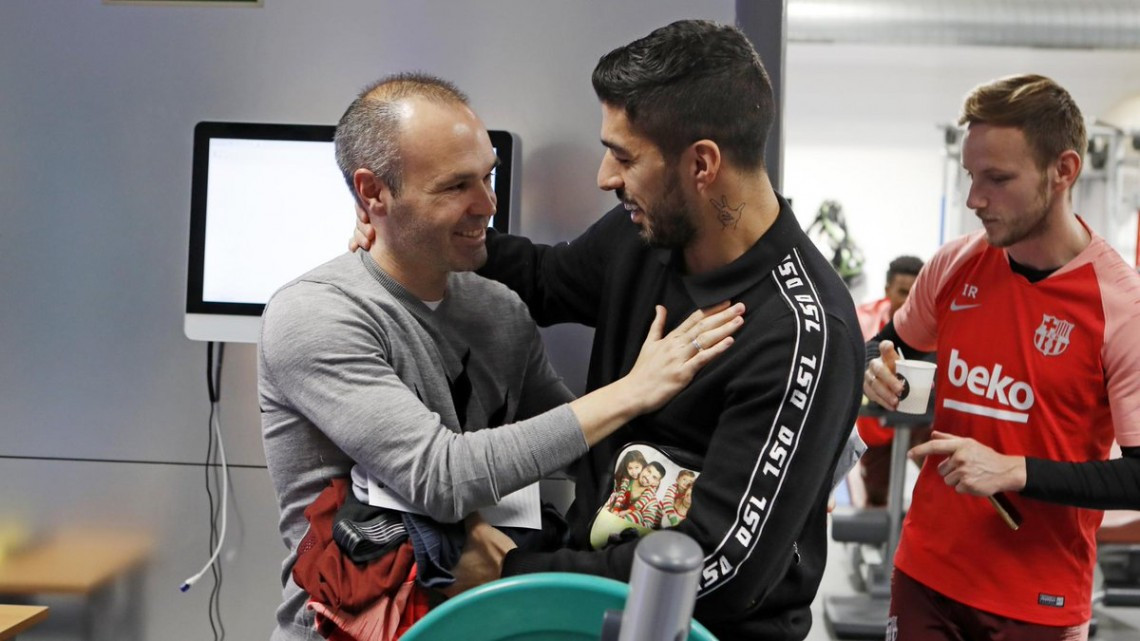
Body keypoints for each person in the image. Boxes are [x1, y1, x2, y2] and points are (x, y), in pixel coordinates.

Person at [355, 19, 864, 640]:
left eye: (624, 157)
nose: (605, 177)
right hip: (588, 604)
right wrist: (415, 234)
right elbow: (544, 278)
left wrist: (519, 573)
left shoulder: (804, 332)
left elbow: (721, 569)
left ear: (702, 164)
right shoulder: (645, 235)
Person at [259, 72, 744, 641]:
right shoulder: (314, 316)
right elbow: (439, 477)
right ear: (373, 193)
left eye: (487, 176)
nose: (487, 204)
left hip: (488, 621)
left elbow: (584, 450)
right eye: (455, 187)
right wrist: (632, 391)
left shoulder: (498, 309)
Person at [863, 74, 1140, 640]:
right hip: (925, 572)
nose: (975, 199)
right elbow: (889, 344)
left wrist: (1016, 470)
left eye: (998, 178)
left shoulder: (1120, 305)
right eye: (971, 176)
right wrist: (874, 367)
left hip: (1037, 598)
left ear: (1063, 171)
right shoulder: (954, 264)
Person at [853, 255, 929, 507]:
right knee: (876, 499)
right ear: (887, 290)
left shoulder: (936, 323)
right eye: (902, 292)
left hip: (922, 421)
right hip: (875, 427)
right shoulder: (863, 321)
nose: (908, 301)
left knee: (943, 482)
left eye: (914, 293)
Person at [613, 460, 665, 527]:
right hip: (609, 516)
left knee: (638, 515)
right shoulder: (626, 481)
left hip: (624, 527)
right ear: (643, 468)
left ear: (656, 483)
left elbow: (648, 524)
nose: (648, 477)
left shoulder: (652, 501)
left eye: (654, 477)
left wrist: (627, 524)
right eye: (648, 471)